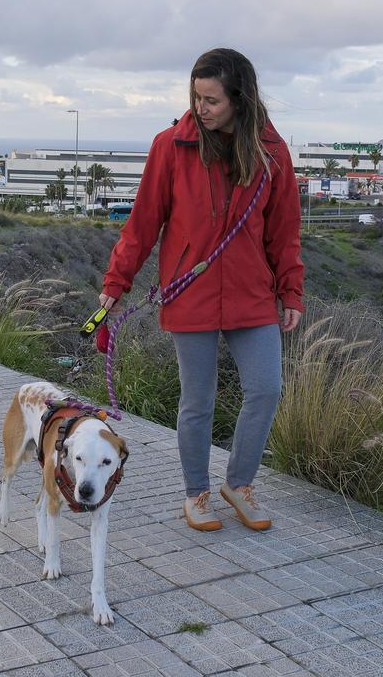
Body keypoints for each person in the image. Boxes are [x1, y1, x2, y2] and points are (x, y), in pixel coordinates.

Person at [99, 48, 304, 532]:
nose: (201, 108)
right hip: (189, 290)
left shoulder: (271, 152)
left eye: (211, 99)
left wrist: (291, 291)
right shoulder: (171, 146)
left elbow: (285, 230)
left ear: (239, 98)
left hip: (252, 293)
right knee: (199, 401)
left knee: (266, 389)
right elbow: (143, 223)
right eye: (195, 98)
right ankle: (197, 494)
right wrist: (116, 283)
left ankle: (241, 484)